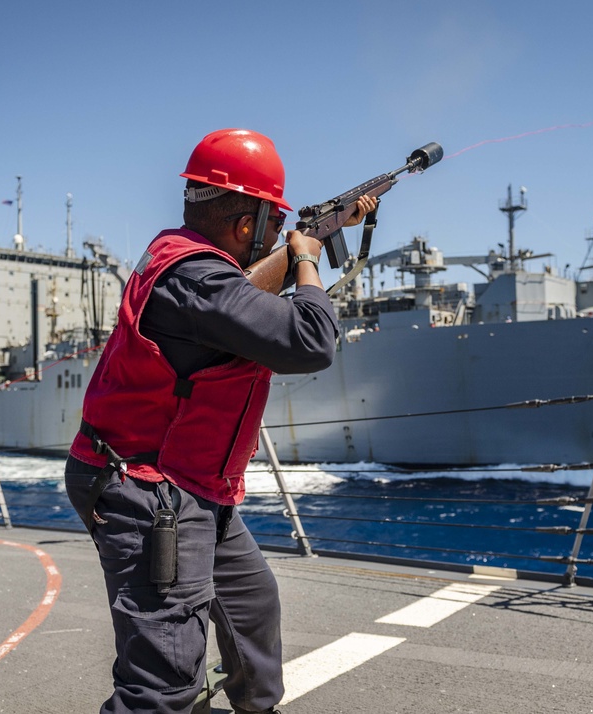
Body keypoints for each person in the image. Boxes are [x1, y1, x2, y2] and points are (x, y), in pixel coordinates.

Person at [65, 128, 376, 714]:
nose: (280, 233)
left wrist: (316, 238)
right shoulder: (198, 278)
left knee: (252, 607)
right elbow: (310, 340)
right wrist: (307, 257)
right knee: (161, 684)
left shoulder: (185, 258)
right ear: (245, 225)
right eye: (274, 223)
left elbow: (242, 305)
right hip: (150, 489)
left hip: (190, 483)